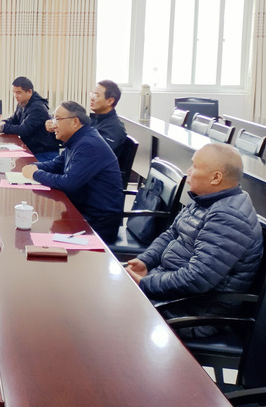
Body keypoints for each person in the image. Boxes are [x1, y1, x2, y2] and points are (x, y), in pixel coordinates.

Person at [125, 144, 263, 335]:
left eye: (195, 167)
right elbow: (171, 234)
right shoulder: (206, 199)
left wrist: (147, 284)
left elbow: (197, 278)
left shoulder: (229, 217)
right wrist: (146, 261)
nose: (188, 171)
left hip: (192, 313)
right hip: (170, 294)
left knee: (108, 313)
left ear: (216, 178)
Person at [22, 101, 123, 242]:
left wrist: (35, 174)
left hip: (98, 222)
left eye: (58, 119)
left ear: (75, 122)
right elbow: (56, 164)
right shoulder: (78, 139)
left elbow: (68, 183)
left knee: (38, 234)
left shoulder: (88, 145)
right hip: (82, 211)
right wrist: (33, 166)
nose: (53, 124)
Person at [0, 76, 60, 161]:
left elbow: (23, 130)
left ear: (29, 92)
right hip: (32, 149)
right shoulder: (22, 103)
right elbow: (13, 120)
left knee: (16, 166)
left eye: (18, 93)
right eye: (14, 92)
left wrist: (0, 127)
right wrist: (1, 123)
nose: (15, 96)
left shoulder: (38, 108)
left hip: (44, 152)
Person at [45, 80, 126, 156]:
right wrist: (57, 129)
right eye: (92, 94)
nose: (92, 98)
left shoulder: (114, 128)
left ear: (110, 101)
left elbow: (91, 152)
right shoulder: (94, 119)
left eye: (96, 95)